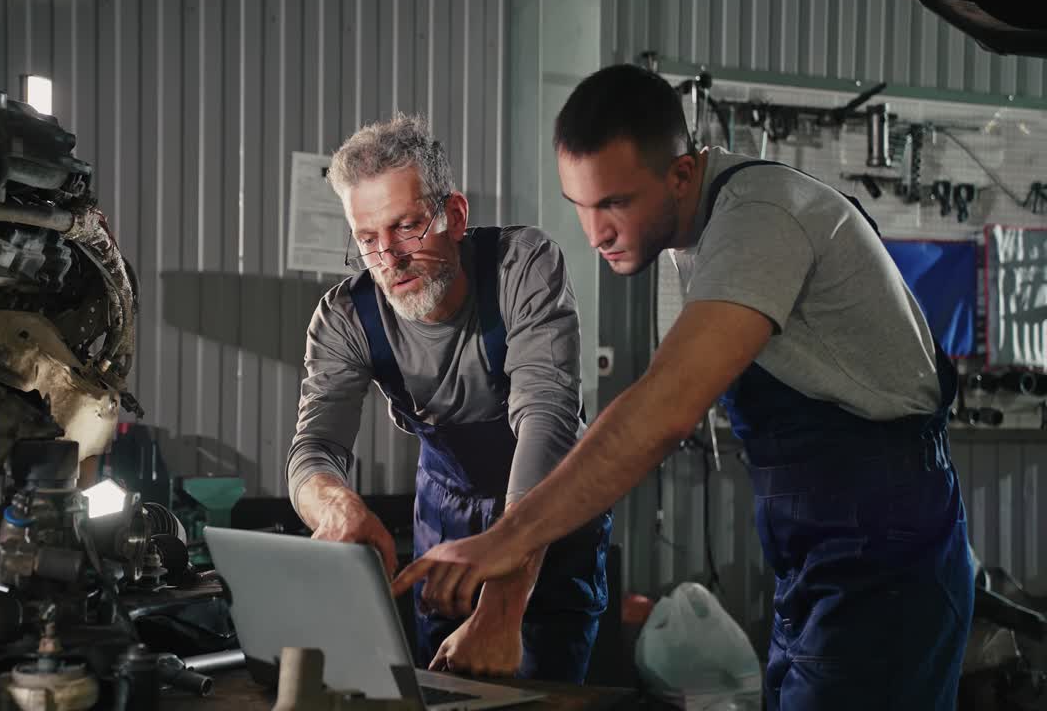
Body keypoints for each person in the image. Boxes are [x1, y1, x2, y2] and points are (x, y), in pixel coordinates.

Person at [393, 65, 972, 710]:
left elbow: (661, 411)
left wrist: (507, 539)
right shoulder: (701, 232)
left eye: (615, 203)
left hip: (889, 557)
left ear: (681, 174)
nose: (595, 234)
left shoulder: (761, 218)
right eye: (580, 206)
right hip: (818, 558)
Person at [286, 114, 611, 683]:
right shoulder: (345, 318)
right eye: (367, 240)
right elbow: (313, 449)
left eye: (407, 226)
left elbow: (548, 417)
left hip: (549, 509)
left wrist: (504, 601)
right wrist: (335, 506)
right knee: (441, 687)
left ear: (454, 216)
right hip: (446, 514)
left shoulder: (522, 267)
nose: (389, 258)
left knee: (544, 687)